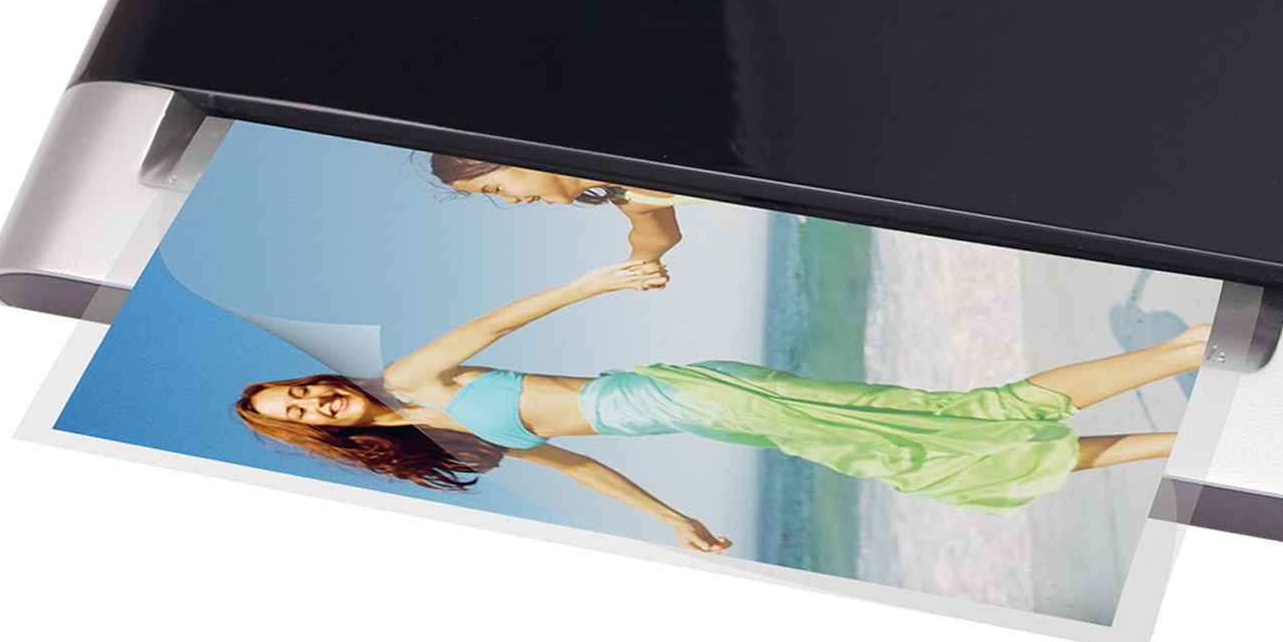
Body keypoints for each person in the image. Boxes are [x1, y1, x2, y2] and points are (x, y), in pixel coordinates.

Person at [235, 261, 1210, 554]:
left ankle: (1183, 354)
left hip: (698, 391)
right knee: (951, 442)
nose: (314, 398)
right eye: (300, 411)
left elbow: (492, 321)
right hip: (711, 412)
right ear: (313, 434)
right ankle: (1183, 430)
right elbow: (579, 463)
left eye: (301, 386)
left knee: (953, 433)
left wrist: (597, 281)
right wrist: (674, 519)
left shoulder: (413, 378)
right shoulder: (440, 435)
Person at [427, 157, 685, 290]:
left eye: (496, 188)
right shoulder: (631, 199)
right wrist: (639, 270)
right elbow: (657, 238)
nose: (511, 200)